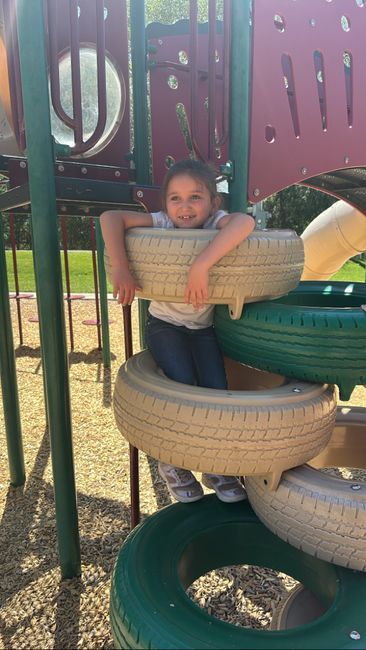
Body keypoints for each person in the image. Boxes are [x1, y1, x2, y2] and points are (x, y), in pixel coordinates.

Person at [100, 159, 255, 504]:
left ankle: (215, 466)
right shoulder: (163, 223)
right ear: (165, 205)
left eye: (195, 197)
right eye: (175, 198)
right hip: (165, 325)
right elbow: (110, 218)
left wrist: (202, 264)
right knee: (183, 387)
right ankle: (173, 463)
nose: (184, 207)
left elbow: (245, 221)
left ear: (214, 203)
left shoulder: (216, 222)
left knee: (217, 391)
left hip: (201, 329)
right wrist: (121, 269)